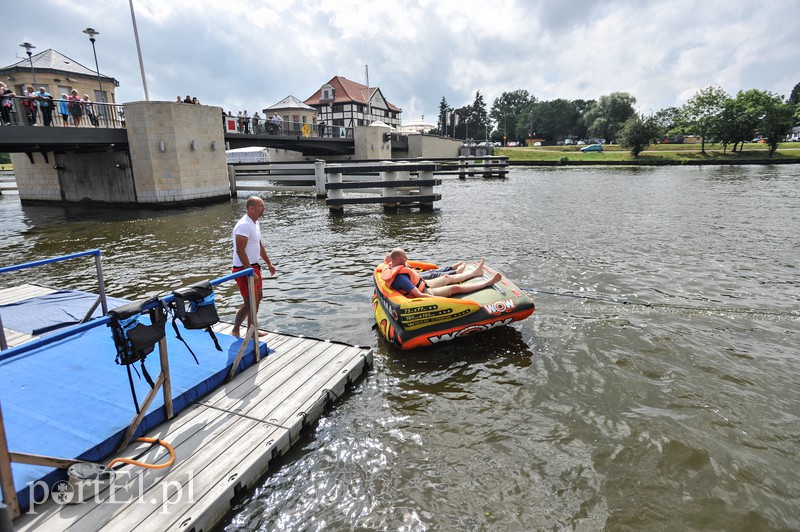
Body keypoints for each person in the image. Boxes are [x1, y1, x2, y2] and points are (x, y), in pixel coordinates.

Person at [231, 196, 276, 338]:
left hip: (254, 267)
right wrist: (249, 271)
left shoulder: (255, 223)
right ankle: (236, 329)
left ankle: (252, 330)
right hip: (243, 269)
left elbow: (258, 244)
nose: (264, 208)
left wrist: (268, 263)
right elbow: (240, 250)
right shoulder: (244, 225)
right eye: (261, 206)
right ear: (251, 208)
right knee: (248, 303)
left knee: (257, 298)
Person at [383, 248, 501, 298]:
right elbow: (419, 295)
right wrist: (442, 300)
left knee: (446, 277)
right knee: (455, 288)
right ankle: (488, 283)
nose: (407, 259)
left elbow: (389, 257)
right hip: (424, 291)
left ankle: (475, 273)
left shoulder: (392, 265)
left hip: (424, 284)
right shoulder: (401, 278)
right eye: (405, 257)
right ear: (398, 259)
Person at [384, 254, 466, 280]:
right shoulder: (390, 268)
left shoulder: (396, 265)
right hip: (413, 279)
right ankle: (456, 272)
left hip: (414, 275)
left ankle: (451, 267)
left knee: (432, 271)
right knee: (432, 275)